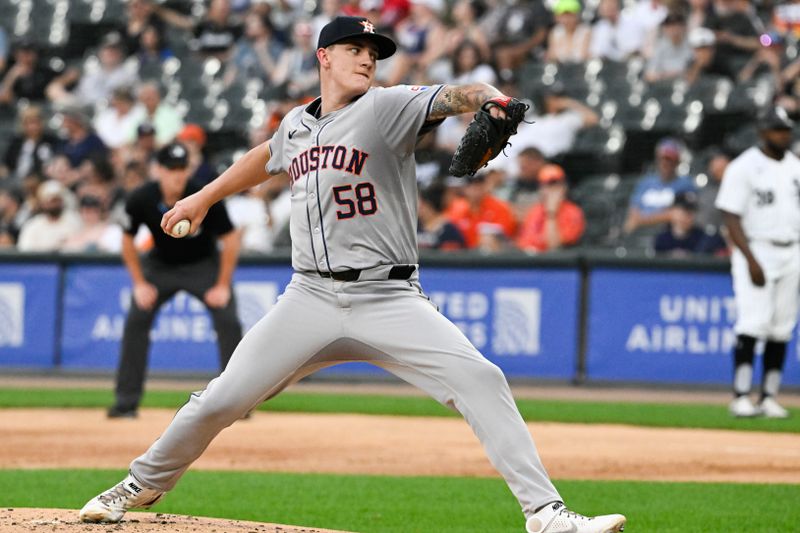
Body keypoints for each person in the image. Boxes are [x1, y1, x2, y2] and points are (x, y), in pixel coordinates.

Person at [79, 16, 626, 533]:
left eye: (373, 53)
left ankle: (546, 514)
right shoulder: (296, 123)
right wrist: (202, 196)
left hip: (388, 296)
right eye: (354, 50)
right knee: (221, 400)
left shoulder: (387, 107)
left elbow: (455, 95)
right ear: (324, 57)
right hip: (308, 296)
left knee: (481, 379)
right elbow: (265, 156)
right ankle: (140, 484)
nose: (367, 59)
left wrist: (489, 99)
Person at [106, 142, 243, 418]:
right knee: (136, 319)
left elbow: (230, 238)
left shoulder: (203, 194)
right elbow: (126, 239)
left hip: (202, 265)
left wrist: (222, 285)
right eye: (171, 169)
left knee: (228, 321)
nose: (178, 175)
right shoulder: (142, 198)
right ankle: (125, 402)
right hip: (160, 266)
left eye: (182, 169)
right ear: (159, 170)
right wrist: (140, 284)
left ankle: (237, 403)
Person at [715, 106, 800, 419]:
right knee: (752, 323)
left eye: (786, 129)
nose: (784, 134)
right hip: (757, 248)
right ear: (763, 132)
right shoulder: (745, 166)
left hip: (792, 249)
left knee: (781, 328)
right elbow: (730, 215)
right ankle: (740, 395)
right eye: (778, 129)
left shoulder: (795, 166)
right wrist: (750, 258)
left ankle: (769, 396)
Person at [516, 164, 585, 253]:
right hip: (530, 261)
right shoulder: (534, 210)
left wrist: (551, 213)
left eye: (553, 183)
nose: (549, 189)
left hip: (556, 263)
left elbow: (554, 246)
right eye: (545, 184)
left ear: (563, 187)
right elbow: (523, 245)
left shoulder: (573, 212)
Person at [653, 190, 725, 256]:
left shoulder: (703, 238)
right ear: (673, 211)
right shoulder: (662, 239)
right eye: (684, 211)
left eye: (691, 211)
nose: (688, 216)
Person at [417, 181, 467, 250]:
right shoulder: (414, 227)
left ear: (431, 207)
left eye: (422, 206)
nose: (418, 209)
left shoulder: (450, 231)